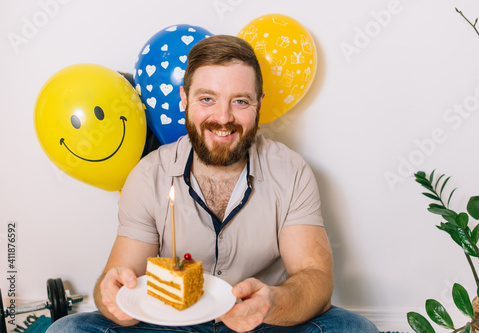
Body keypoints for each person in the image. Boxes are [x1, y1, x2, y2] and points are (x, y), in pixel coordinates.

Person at [47, 35, 379, 333]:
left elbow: (315, 279)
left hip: (260, 325)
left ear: (259, 104)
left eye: (240, 101)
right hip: (169, 324)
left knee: (354, 328)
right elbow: (119, 284)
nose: (223, 117)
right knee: (67, 329)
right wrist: (113, 297)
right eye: (207, 99)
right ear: (184, 100)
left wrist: (271, 303)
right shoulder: (148, 175)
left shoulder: (291, 171)